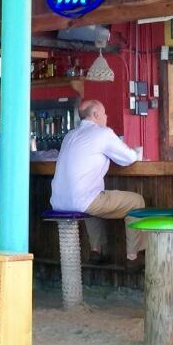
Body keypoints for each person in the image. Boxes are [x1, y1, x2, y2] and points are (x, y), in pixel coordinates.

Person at [50, 99, 146, 263]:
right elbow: (128, 158)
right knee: (136, 202)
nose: (106, 116)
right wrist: (137, 153)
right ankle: (133, 258)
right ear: (95, 114)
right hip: (83, 201)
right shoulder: (103, 133)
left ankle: (97, 251)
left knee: (92, 202)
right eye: (104, 113)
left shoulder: (69, 136)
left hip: (58, 202)